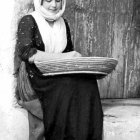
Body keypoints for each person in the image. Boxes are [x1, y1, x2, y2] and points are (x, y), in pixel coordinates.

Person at [14, 0, 103, 140]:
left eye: (58, 0)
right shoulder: (29, 20)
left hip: (59, 71)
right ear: (40, 2)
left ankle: (86, 134)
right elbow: (26, 53)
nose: (54, 5)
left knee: (88, 81)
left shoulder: (63, 23)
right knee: (66, 86)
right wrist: (66, 56)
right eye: (48, 0)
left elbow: (68, 52)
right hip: (37, 75)